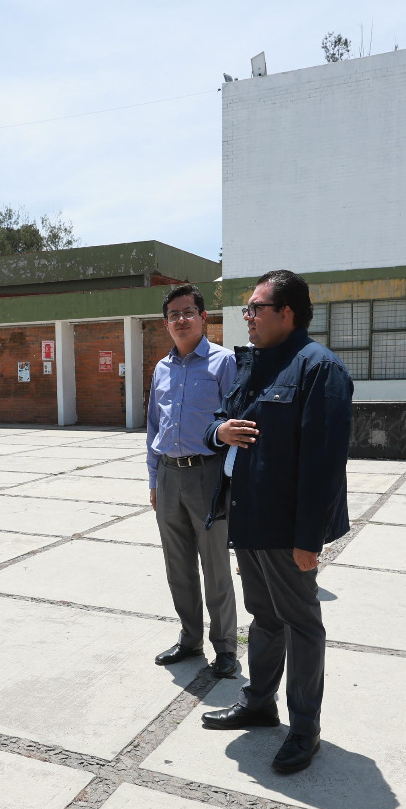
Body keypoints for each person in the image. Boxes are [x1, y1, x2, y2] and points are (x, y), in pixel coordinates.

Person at [198, 269, 353, 775]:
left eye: (255, 309)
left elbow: (324, 466)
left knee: (302, 624)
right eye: (246, 309)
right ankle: (260, 703)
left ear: (287, 313)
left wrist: (310, 539)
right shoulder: (255, 364)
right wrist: (218, 432)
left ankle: (305, 728)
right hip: (249, 518)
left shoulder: (319, 369)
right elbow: (219, 422)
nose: (247, 318)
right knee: (263, 618)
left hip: (288, 529)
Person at [146, 284, 239, 679]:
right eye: (173, 315)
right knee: (177, 565)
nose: (180, 320)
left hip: (208, 475)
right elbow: (153, 425)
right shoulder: (161, 369)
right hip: (168, 475)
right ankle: (189, 638)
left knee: (215, 565)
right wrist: (153, 478)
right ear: (166, 323)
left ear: (204, 317)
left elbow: (237, 422)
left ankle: (226, 648)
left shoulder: (225, 363)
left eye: (188, 312)